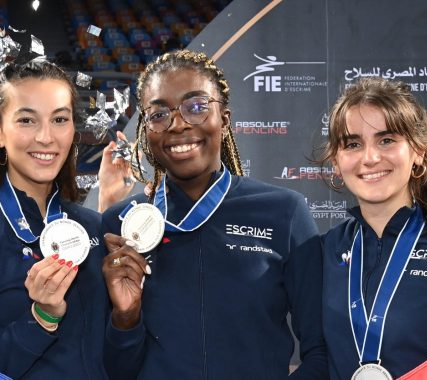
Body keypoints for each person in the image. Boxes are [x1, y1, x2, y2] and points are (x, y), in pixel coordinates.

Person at [101, 50, 328, 379]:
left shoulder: (284, 212)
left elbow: (320, 350)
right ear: (146, 129)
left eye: (196, 107)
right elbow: (112, 370)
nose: (177, 124)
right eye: (159, 114)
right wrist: (125, 317)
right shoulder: (120, 226)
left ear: (224, 119)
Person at [0, 58, 108, 379]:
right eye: (27, 120)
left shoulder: (92, 228)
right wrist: (39, 319)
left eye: (60, 119)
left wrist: (129, 316)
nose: (46, 137)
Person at [319, 77, 427, 379]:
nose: (370, 158)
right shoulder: (325, 250)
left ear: (418, 151)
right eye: (353, 144)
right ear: (336, 162)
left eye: (387, 140)